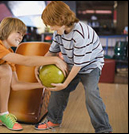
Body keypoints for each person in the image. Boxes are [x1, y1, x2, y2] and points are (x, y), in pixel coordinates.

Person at [34, 1, 112, 133]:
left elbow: (79, 64)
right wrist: (39, 64)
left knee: (91, 94)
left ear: (62, 19)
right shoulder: (59, 32)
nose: (51, 28)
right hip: (72, 63)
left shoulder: (80, 33)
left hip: (90, 66)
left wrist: (65, 85)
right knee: (57, 89)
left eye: (51, 24)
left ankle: (104, 129)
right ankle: (54, 119)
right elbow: (52, 51)